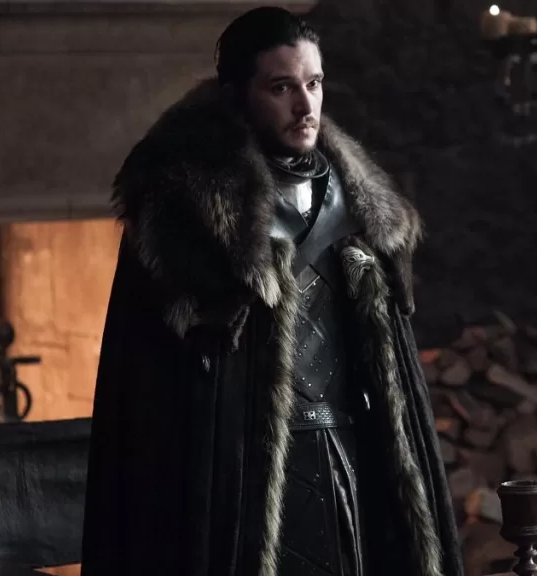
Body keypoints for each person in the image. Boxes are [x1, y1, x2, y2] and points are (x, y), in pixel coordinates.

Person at [80, 7, 462, 576]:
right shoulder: (182, 209)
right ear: (236, 95)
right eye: (282, 88)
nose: (306, 106)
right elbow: (148, 393)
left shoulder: (354, 203)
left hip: (350, 462)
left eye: (314, 83)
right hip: (235, 480)